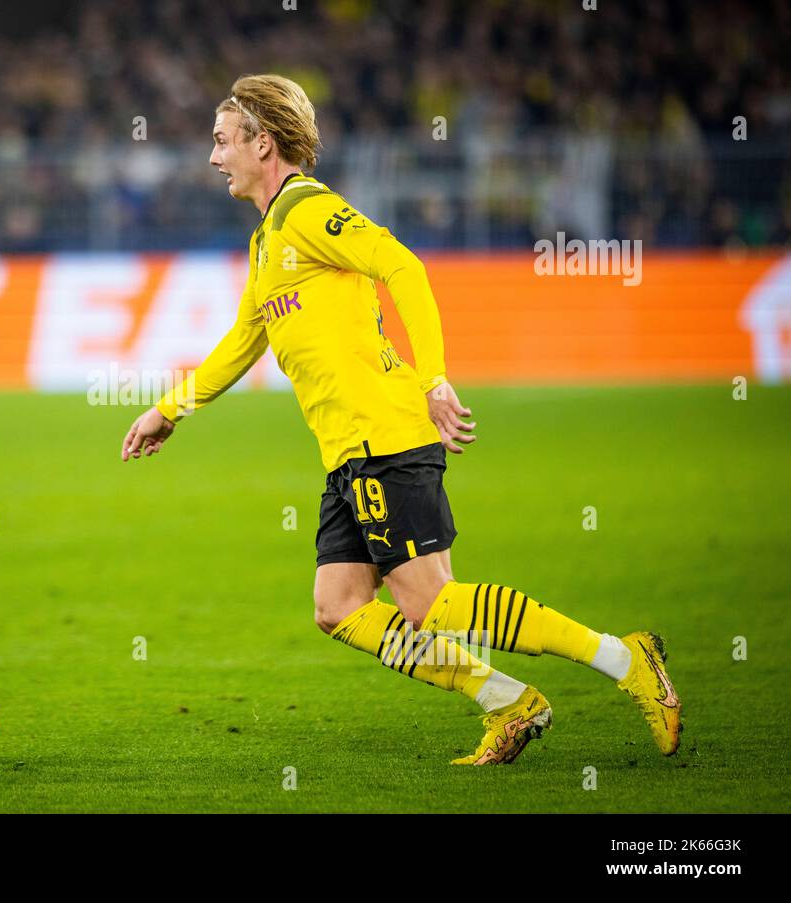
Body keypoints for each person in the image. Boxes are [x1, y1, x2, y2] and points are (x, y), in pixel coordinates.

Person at [119, 74, 682, 764]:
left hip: (384, 435)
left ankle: (626, 659)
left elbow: (402, 265)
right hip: (347, 452)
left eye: (221, 140)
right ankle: (510, 700)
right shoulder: (268, 242)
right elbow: (245, 338)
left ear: (262, 143)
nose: (212, 157)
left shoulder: (308, 212)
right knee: (339, 606)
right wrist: (167, 408)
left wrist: (436, 376)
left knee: (432, 605)